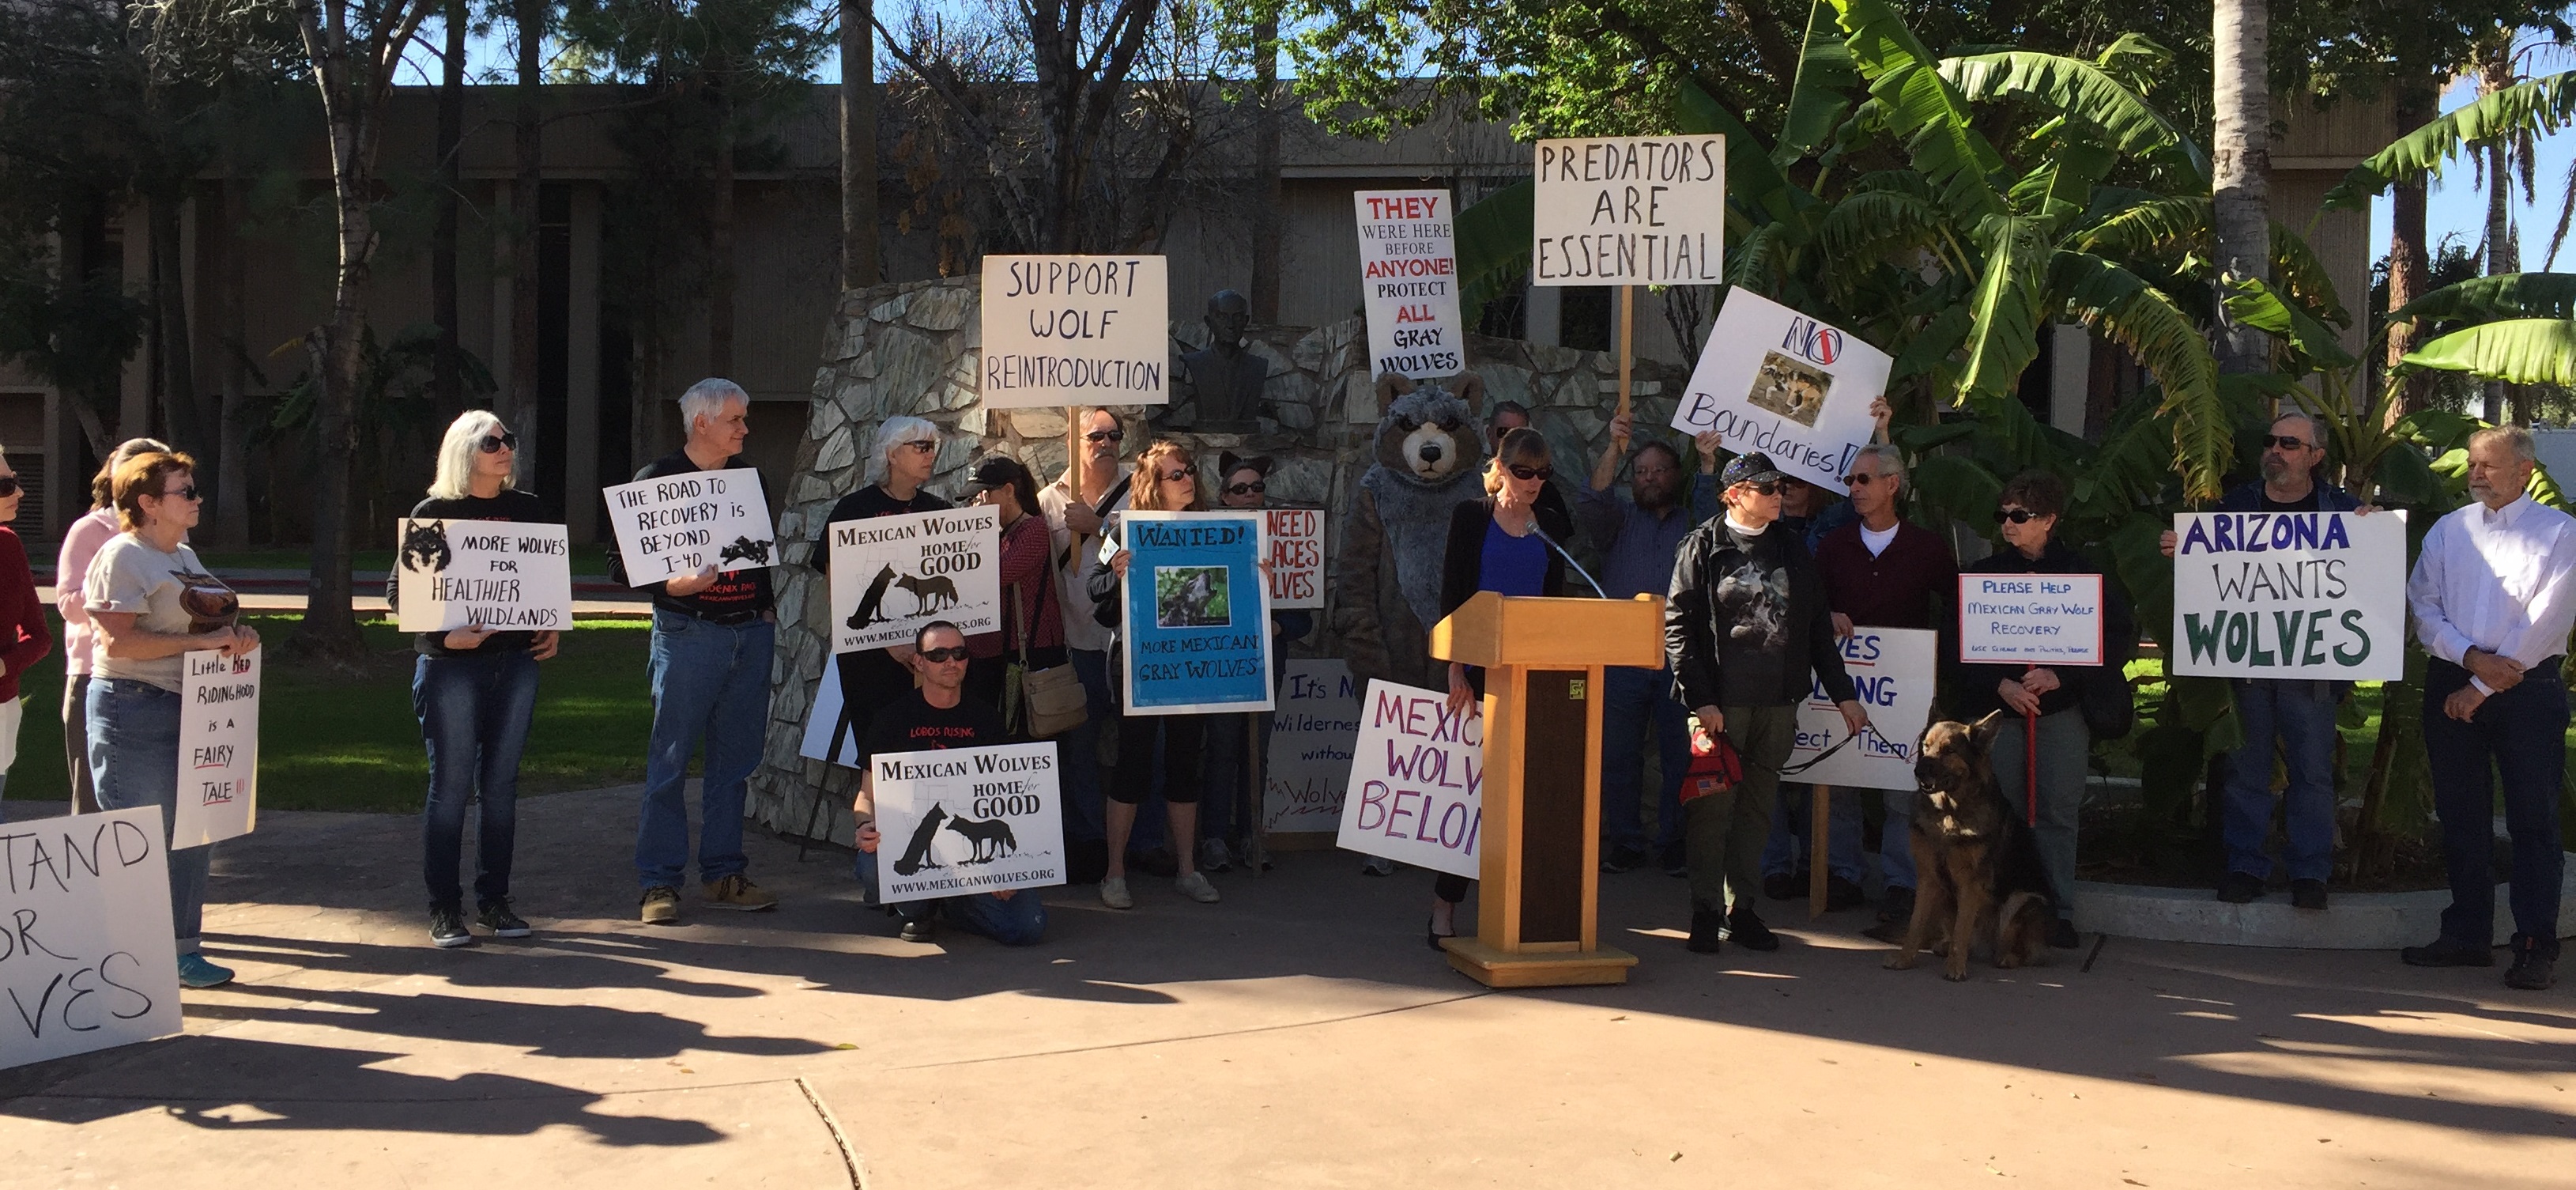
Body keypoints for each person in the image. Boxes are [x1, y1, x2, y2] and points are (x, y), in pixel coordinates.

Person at [2160, 412, 2366, 911]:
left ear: (2315, 457)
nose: (2277, 450)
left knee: (2312, 774)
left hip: (2312, 670)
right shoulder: (2235, 507)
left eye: (2290, 444)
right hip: (2248, 668)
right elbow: (2211, 577)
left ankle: (2310, 873)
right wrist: (2182, 550)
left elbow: (2367, 576)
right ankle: (2245, 866)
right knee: (2246, 771)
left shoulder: (2344, 512)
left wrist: (2373, 533)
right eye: (2272, 441)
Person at [1666, 451, 1868, 955]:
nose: (1778, 494)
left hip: (1778, 702)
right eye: (1766, 487)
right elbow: (1679, 630)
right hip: (1720, 706)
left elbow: (1818, 628)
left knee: (1759, 812)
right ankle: (1705, 911)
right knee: (1712, 812)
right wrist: (1702, 699)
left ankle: (1743, 910)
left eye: (1780, 486)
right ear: (1734, 494)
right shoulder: (1702, 546)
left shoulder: (1794, 549)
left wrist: (1844, 694)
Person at [2401, 426, 2576, 991]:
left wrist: (2481, 685)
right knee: (2460, 815)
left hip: (2526, 687)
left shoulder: (2559, 532)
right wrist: (2470, 658)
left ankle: (2533, 943)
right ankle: (2467, 934)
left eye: (2489, 465)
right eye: (2473, 464)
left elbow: (2548, 618)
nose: (2476, 474)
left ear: (2524, 470)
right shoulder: (2449, 531)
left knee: (2532, 819)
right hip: (2453, 676)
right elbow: (2422, 605)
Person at [604, 378, 780, 924]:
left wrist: (765, 609)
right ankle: (659, 883)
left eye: (744, 418)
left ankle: (724, 872)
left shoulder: (750, 481)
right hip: (687, 633)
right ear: (700, 422)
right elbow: (620, 563)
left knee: (736, 763)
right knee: (671, 760)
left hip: (749, 633)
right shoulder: (654, 481)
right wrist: (672, 588)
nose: (745, 429)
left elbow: (759, 554)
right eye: (735, 419)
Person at [85, 450, 258, 989]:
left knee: (192, 832)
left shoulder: (182, 553)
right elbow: (117, 641)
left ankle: (184, 951)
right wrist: (199, 643)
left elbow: (209, 621)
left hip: (197, 709)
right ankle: (126, 960)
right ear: (149, 503)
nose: (196, 498)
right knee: (140, 836)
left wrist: (239, 638)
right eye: (185, 491)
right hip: (132, 706)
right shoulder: (123, 556)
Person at [389, 411, 560, 947]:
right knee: (450, 787)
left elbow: (543, 581)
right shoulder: (434, 512)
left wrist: (552, 625)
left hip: (516, 663)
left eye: (508, 439)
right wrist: (446, 639)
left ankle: (495, 901)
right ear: (464, 450)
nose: (505, 448)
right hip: (450, 669)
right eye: (492, 441)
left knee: (502, 787)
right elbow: (401, 595)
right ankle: (444, 907)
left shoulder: (527, 510)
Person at [1951, 470, 2134, 951]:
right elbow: (1959, 648)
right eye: (2003, 515)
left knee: (2056, 811)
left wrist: (2063, 675)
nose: (2008, 524)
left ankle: (2056, 912)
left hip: (2060, 715)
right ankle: (1999, 910)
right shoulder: (1983, 575)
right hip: (2001, 718)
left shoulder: (2082, 572)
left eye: (2020, 516)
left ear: (2049, 520)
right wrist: (2001, 684)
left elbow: (2116, 638)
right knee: (2001, 815)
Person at [1431, 428, 1577, 946]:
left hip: (1533, 677)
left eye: (1543, 473)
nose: (1534, 481)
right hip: (1475, 672)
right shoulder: (1470, 517)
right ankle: (1444, 909)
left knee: (1528, 800)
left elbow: (1554, 607)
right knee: (1469, 796)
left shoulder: (1551, 526)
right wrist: (1453, 668)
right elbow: (1453, 593)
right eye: (1524, 471)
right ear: (1501, 467)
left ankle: (1519, 909)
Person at [1807, 440, 1957, 932]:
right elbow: (1811, 604)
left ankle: (1900, 884)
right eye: (1851, 481)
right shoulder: (1833, 546)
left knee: (1899, 790)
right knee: (1842, 782)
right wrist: (1826, 614)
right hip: (1845, 684)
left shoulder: (1928, 547)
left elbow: (1956, 610)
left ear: (1893, 485)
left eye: (1863, 480)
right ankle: (1844, 875)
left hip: (1905, 688)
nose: (1853, 488)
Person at [1084, 439, 1227, 909]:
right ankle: (1115, 874)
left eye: (1189, 472)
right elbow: (1095, 589)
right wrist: (1117, 572)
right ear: (1153, 485)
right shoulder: (1121, 528)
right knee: (1133, 762)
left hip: (1192, 664)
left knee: (1187, 762)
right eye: (1176, 474)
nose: (1188, 480)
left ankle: (1188, 869)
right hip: (1140, 663)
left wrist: (1255, 573)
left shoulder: (1215, 529)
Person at [1578, 414, 1720, 878]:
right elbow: (1593, 497)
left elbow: (1712, 504)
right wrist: (1615, 449)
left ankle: (1675, 843)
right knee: (1618, 754)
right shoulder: (1618, 523)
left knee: (1681, 754)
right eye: (1641, 472)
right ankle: (1626, 843)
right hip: (1621, 656)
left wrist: (1706, 460)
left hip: (1680, 659)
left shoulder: (1693, 523)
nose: (1649, 478)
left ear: (1673, 476)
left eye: (1659, 470)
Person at [850, 621, 1049, 946]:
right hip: (915, 838)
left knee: (1028, 927)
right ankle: (918, 908)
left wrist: (1006, 868)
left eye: (959, 652)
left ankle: (955, 902)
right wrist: (865, 825)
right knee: (871, 864)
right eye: (938, 654)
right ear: (919, 662)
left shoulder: (987, 720)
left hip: (971, 850)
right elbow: (865, 796)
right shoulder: (892, 720)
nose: (950, 662)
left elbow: (1009, 798)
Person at [1197, 452, 1314, 873]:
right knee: (1223, 749)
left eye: (1257, 488)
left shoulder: (1287, 539)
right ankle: (1213, 838)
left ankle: (1251, 837)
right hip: (1225, 662)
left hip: (1268, 662)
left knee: (1256, 752)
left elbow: (1303, 609)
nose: (1250, 495)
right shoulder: (1208, 536)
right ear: (1224, 497)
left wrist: (1279, 628)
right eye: (1240, 489)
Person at [1037, 409, 1131, 882]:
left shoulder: (1141, 489)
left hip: (1133, 642)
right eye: (1096, 435)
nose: (1107, 443)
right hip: (1080, 641)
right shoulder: (1048, 502)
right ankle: (1088, 843)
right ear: (1076, 440)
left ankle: (1146, 845)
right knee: (1080, 749)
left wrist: (1099, 528)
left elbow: (1143, 555)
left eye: (1115, 435)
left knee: (1140, 749)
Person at [58, 437, 172, 814]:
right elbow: (69, 605)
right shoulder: (91, 530)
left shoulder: (173, 536)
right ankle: (93, 877)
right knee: (95, 803)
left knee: (150, 806)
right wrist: (121, 584)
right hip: (96, 677)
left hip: (158, 678)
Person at [959, 455, 1065, 718]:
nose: (977, 503)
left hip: (1030, 654)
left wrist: (980, 528)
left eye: (984, 495)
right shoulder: (996, 534)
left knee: (1023, 738)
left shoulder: (1034, 530)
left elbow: (996, 574)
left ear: (1008, 491)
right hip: (992, 656)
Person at [0, 448, 49, 819]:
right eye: (6, 485)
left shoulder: (9, 546)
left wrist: (6, 665)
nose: (19, 493)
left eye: (15, 481)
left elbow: (39, 636)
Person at [1486, 401, 1572, 529]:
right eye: (1504, 432)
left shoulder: (1545, 492)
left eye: (1519, 434)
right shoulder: (1470, 487)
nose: (1512, 442)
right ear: (1489, 434)